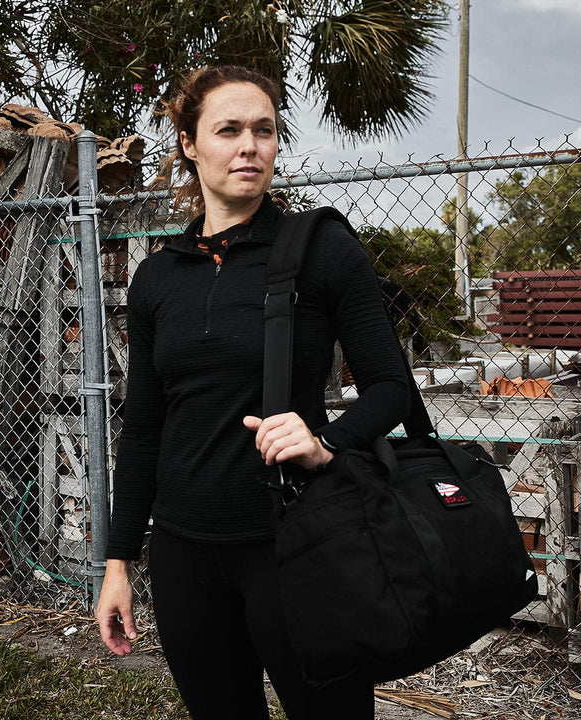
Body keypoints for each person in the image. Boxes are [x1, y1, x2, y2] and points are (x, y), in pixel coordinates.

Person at [96, 65, 411, 720]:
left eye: (264, 131)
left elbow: (391, 390)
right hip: (184, 555)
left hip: (297, 544)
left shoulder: (321, 248)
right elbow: (145, 428)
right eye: (229, 130)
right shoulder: (157, 276)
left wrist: (327, 442)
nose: (250, 146)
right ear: (188, 143)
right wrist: (120, 562)